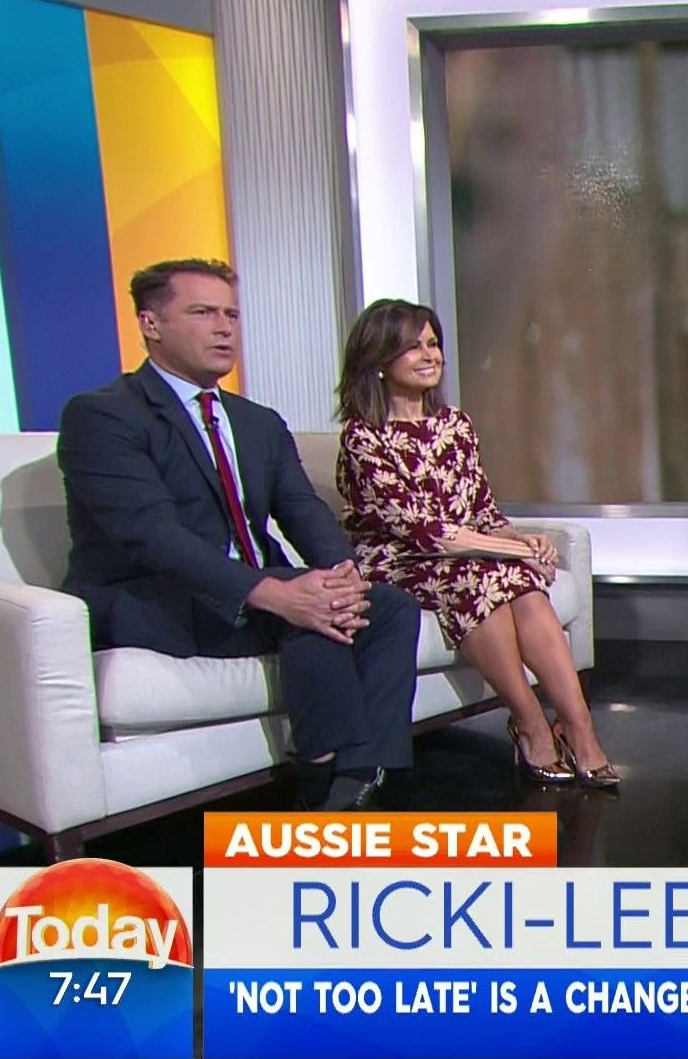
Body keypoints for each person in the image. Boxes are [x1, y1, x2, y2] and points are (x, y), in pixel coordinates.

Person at [58, 259, 420, 811]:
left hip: (254, 585)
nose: (224, 328)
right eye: (203, 313)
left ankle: (358, 777)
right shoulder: (103, 416)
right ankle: (324, 784)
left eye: (230, 314)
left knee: (388, 607)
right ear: (151, 324)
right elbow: (152, 536)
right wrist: (275, 593)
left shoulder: (256, 420)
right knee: (310, 617)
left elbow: (302, 509)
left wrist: (342, 575)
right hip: (161, 594)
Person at [335, 299, 618, 788]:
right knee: (485, 576)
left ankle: (580, 729)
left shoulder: (456, 425)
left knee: (521, 584)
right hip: (399, 560)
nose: (430, 355)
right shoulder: (364, 438)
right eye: (413, 347)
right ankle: (531, 724)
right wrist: (514, 551)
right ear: (379, 360)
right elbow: (425, 533)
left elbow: (482, 511)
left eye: (433, 343)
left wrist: (523, 540)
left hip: (464, 555)